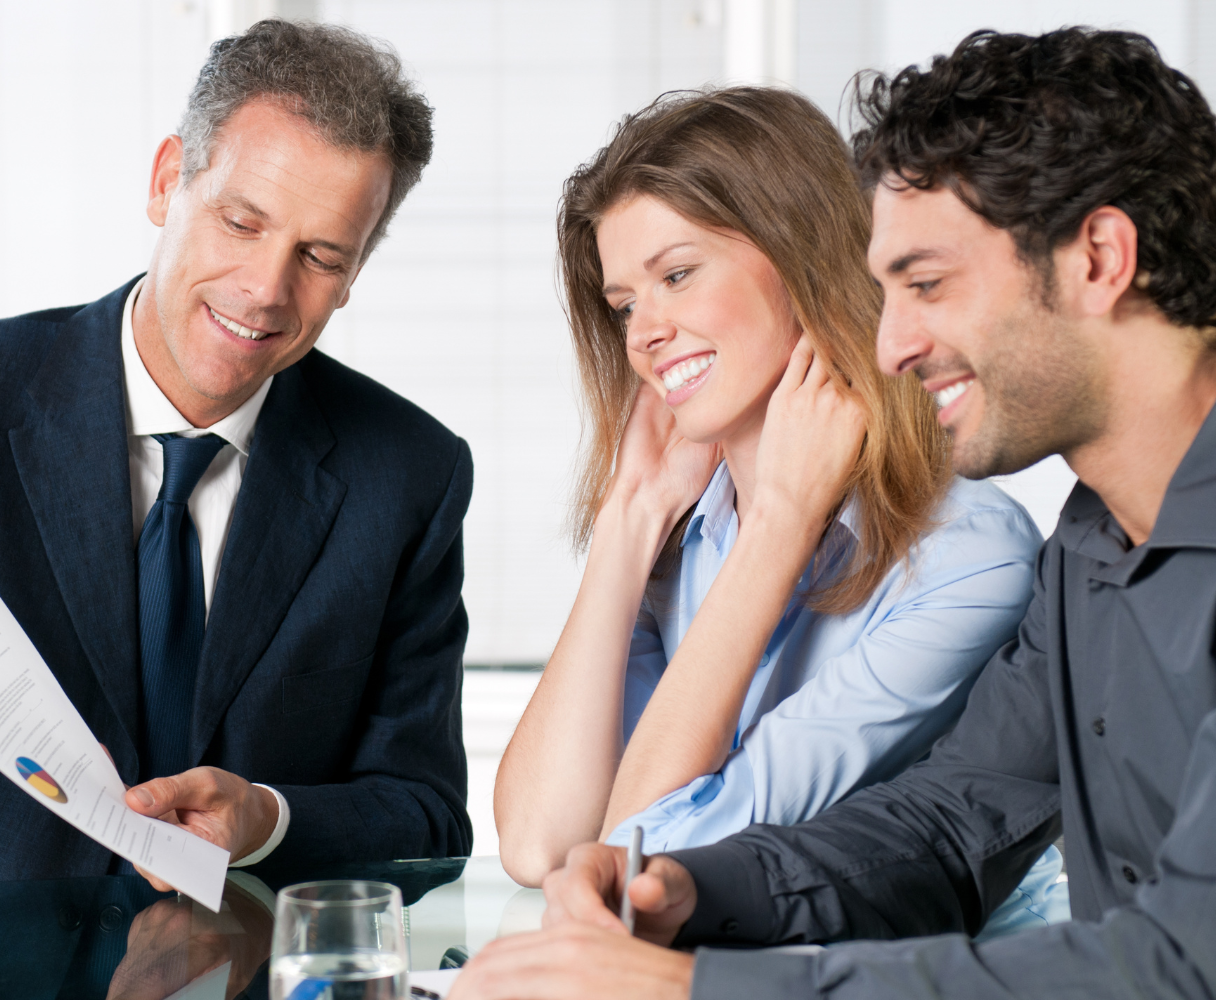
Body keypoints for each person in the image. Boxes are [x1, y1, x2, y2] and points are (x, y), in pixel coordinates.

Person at [452, 26, 1216, 1000]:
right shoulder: (1090, 543)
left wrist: (689, 990)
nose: (889, 346)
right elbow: (947, 824)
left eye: (928, 285)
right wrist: (696, 887)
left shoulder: (991, 548)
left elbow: (1181, 962)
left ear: (1100, 258)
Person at [0, 20, 473, 887]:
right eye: (240, 221)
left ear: (356, 271)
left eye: (320, 255)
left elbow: (427, 818)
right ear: (165, 183)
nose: (266, 288)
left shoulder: (410, 472)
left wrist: (268, 819)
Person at [492, 86, 1062, 935]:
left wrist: (784, 528)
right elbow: (540, 844)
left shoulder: (967, 553)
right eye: (623, 305)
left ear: (804, 261)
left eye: (677, 275)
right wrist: (629, 519)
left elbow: (646, 851)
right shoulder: (685, 531)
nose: (644, 332)